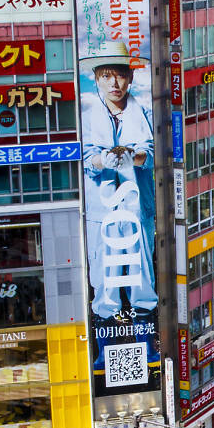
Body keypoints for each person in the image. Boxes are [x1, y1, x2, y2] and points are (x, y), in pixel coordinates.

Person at [81, 41, 156, 323]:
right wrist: (104, 159)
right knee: (104, 273)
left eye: (120, 74)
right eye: (106, 75)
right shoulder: (87, 116)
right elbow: (88, 161)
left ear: (130, 77)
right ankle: (106, 321)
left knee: (142, 268)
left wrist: (131, 157)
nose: (114, 82)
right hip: (102, 210)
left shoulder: (144, 112)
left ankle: (146, 319)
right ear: (97, 78)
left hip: (137, 207)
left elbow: (150, 153)